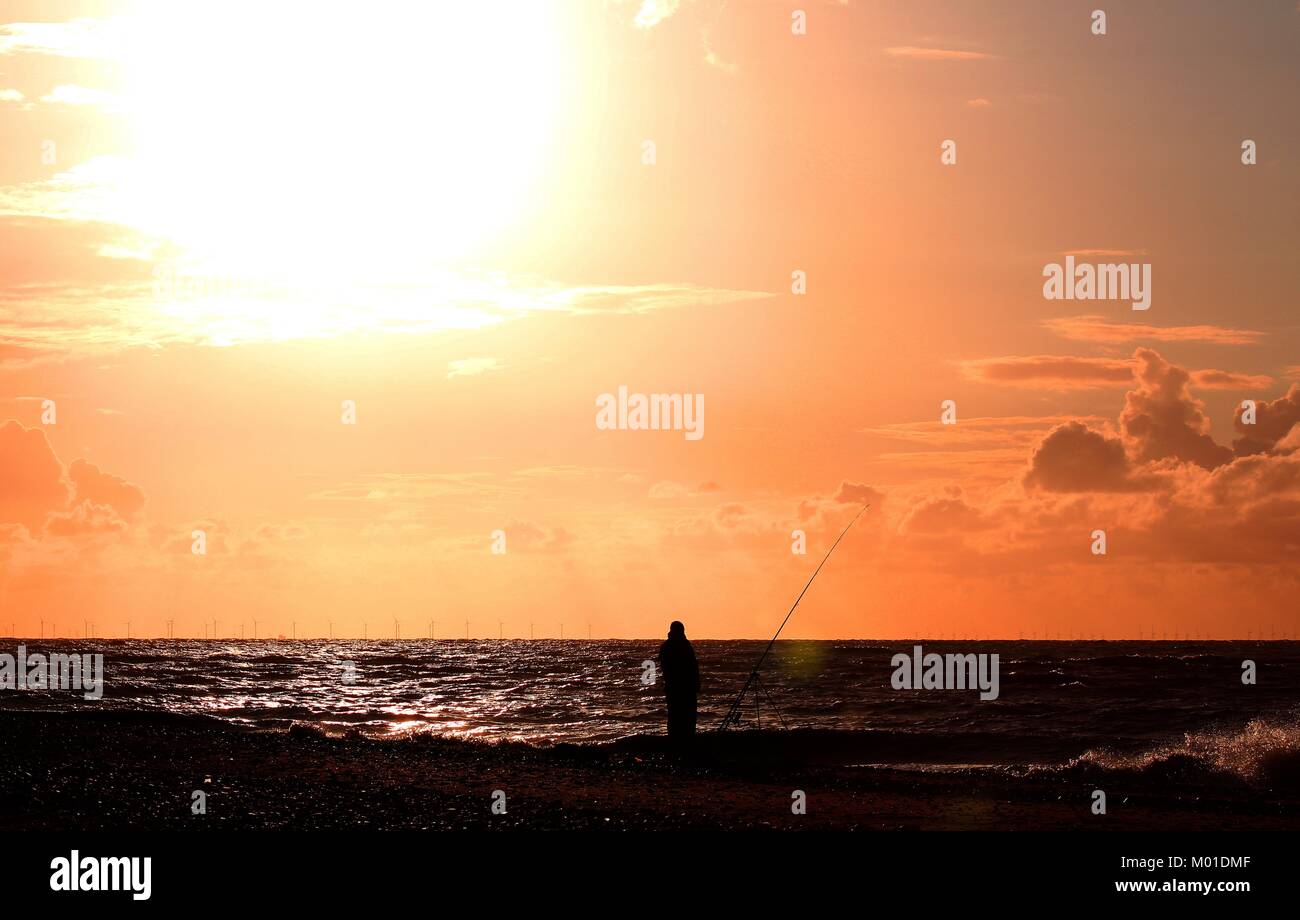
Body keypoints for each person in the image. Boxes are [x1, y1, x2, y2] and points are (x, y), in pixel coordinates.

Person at [658, 620, 699, 741]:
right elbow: (692, 666)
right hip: (683, 687)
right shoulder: (684, 645)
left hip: (675, 687)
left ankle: (677, 739)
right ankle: (683, 739)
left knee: (676, 715)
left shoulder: (667, 646)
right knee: (684, 715)